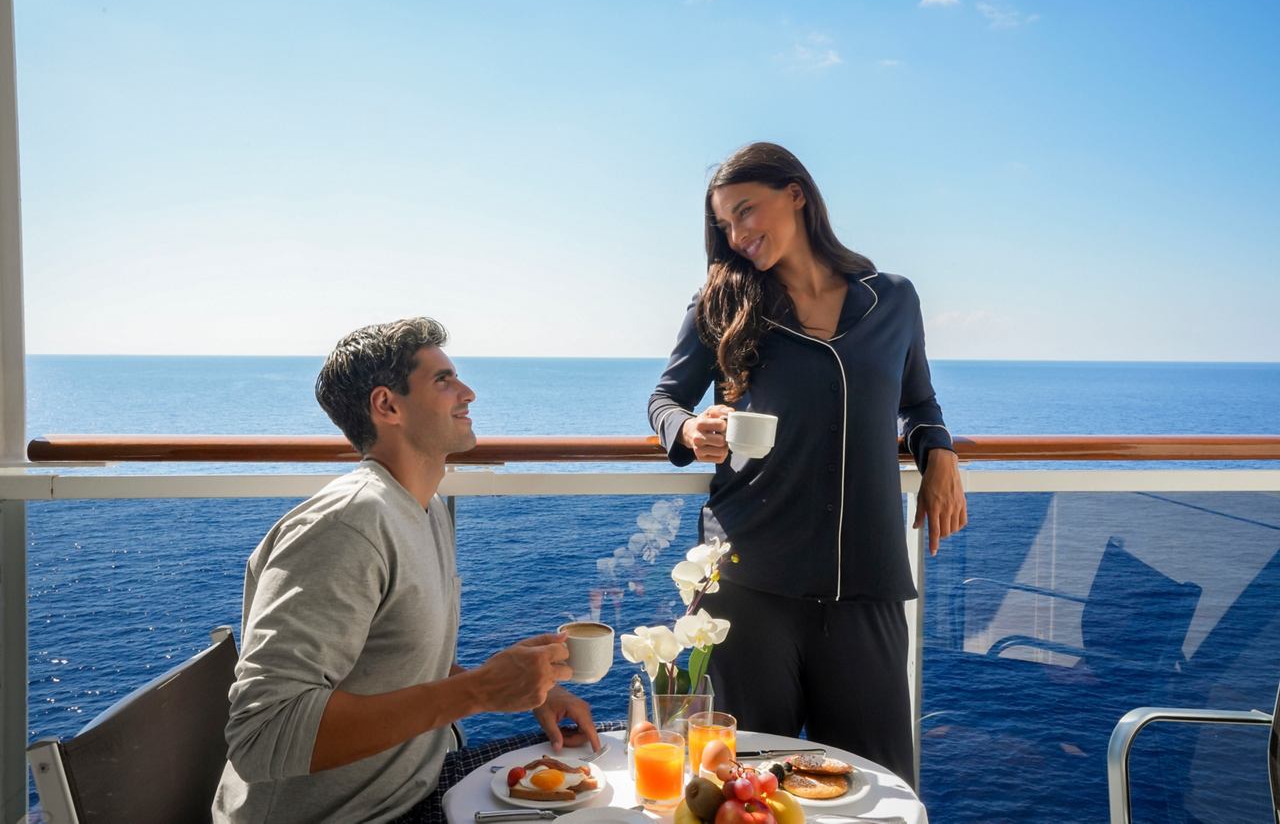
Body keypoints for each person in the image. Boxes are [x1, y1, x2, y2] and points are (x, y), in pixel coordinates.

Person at [647, 143, 967, 786]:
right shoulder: (721, 301)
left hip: (866, 582)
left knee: (876, 787)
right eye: (725, 226)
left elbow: (919, 402)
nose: (737, 236)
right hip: (746, 579)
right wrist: (690, 429)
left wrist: (940, 452)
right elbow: (665, 399)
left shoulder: (893, 300)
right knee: (736, 786)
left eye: (746, 212)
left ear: (796, 194)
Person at [213, 317, 600, 824]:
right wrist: (479, 691)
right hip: (356, 815)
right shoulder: (347, 526)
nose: (468, 392)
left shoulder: (423, 506)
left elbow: (389, 667)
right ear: (387, 406)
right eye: (443, 380)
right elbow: (263, 736)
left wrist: (506, 685)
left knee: (625, 747)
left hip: (414, 783)